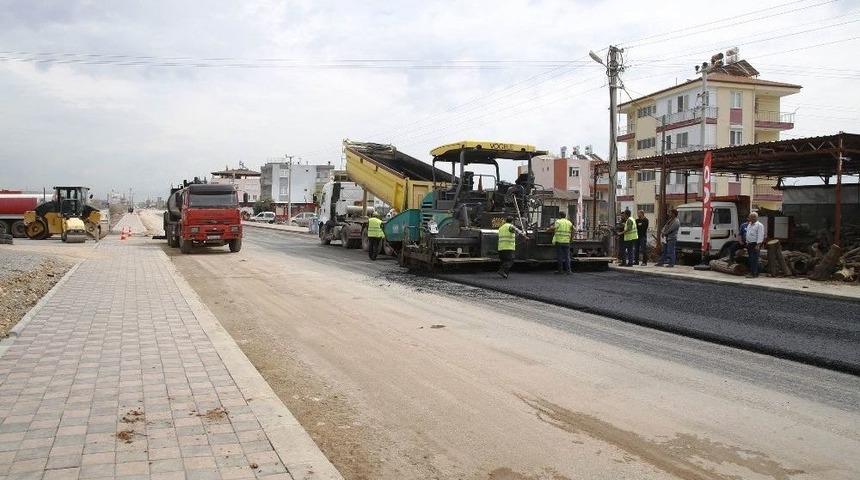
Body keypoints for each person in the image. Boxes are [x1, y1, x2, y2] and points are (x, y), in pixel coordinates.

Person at [745, 212, 766, 278]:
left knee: (754, 259)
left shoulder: (759, 225)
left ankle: (754, 273)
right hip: (749, 244)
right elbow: (748, 233)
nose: (749, 218)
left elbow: (760, 235)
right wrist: (747, 242)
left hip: (755, 244)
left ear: (754, 217)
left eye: (750, 217)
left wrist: (758, 245)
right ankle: (752, 272)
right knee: (750, 259)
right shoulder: (749, 224)